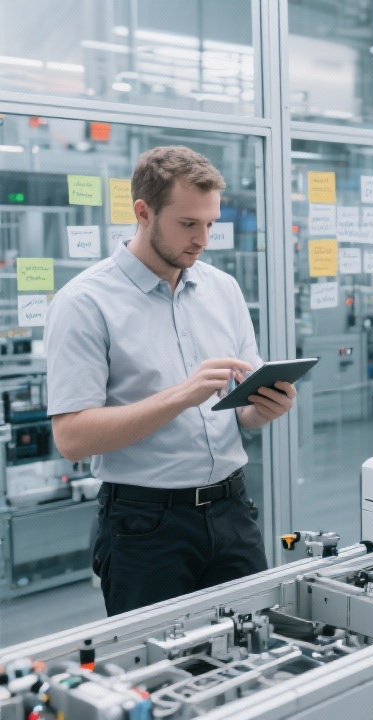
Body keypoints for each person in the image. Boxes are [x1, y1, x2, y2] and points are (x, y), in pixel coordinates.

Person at [46, 146, 296, 616]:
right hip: (145, 528)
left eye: (210, 224)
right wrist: (182, 395)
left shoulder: (223, 289)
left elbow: (241, 410)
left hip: (233, 510)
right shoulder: (84, 303)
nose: (203, 239)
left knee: (254, 653)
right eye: (188, 224)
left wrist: (262, 407)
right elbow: (72, 438)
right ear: (143, 213)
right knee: (157, 672)